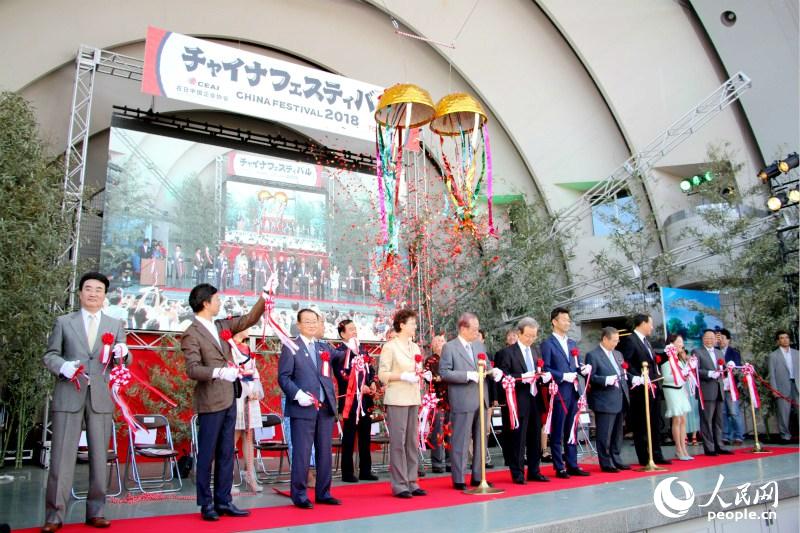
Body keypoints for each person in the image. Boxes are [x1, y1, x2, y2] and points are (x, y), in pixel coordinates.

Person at [41, 272, 130, 533]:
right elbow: (50, 355)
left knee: (99, 457)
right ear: (80, 293)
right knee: (61, 458)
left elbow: (123, 361)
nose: (93, 293)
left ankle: (96, 512)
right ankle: (54, 516)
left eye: (98, 290)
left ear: (105, 296)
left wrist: (123, 355)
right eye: (88, 289)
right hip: (69, 393)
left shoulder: (115, 324)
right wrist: (64, 368)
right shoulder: (64, 322)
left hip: (100, 397)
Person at [182, 283, 265, 521]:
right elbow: (192, 369)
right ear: (205, 302)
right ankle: (206, 503)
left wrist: (265, 295)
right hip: (210, 400)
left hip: (231, 397)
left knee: (227, 451)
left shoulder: (222, 325)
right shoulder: (192, 332)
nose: (220, 302)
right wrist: (218, 372)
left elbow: (249, 319)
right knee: (207, 453)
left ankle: (224, 500)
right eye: (216, 299)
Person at [277, 308, 341, 509]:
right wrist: (298, 395)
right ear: (298, 324)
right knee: (302, 453)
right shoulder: (291, 346)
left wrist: (353, 349)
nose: (312, 324)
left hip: (324, 408)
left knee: (324, 453)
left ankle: (324, 492)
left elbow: (341, 357)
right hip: (303, 407)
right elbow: (283, 377)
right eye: (307, 321)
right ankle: (300, 495)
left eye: (315, 321)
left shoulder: (323, 347)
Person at [440, 312, 503, 489]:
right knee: (461, 440)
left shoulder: (478, 346)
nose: (477, 332)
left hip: (481, 398)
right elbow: (444, 372)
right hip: (462, 399)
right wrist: (467, 375)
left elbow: (487, 366)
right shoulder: (450, 347)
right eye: (474, 329)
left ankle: (478, 475)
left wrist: (494, 371)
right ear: (463, 328)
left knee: (481, 439)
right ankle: (459, 478)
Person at [377, 309, 430, 498]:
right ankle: (399, 484)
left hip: (413, 397)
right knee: (398, 442)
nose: (415, 326)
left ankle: (412, 480)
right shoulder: (390, 347)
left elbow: (418, 370)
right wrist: (402, 376)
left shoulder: (415, 347)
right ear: (401, 325)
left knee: (412, 441)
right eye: (412, 323)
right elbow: (382, 374)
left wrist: (423, 375)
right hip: (397, 398)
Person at [494, 317, 551, 484]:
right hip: (518, 400)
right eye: (528, 336)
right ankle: (517, 472)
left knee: (534, 436)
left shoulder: (536, 351)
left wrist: (544, 376)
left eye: (534, 336)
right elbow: (503, 376)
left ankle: (534, 470)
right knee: (518, 438)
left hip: (534, 397)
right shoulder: (507, 353)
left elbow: (540, 369)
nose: (531, 339)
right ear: (519, 333)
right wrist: (521, 377)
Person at [541, 307, 590, 478]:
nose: (567, 322)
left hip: (574, 390)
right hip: (559, 391)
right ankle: (559, 465)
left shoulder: (572, 343)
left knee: (572, 428)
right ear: (554, 322)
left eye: (568, 320)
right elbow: (545, 368)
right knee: (558, 428)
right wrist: (562, 376)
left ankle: (572, 463)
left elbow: (576, 364)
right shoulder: (547, 344)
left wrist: (583, 368)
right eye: (564, 319)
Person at [619, 313, 671, 466]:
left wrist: (668, 354)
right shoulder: (630, 340)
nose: (652, 327)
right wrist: (637, 377)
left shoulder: (646, 342)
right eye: (650, 323)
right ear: (642, 323)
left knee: (655, 422)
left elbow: (653, 362)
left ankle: (656, 454)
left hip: (653, 387)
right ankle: (644, 457)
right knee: (641, 424)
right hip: (639, 390)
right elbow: (626, 364)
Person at [332, 319, 378, 483]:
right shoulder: (339, 353)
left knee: (366, 436)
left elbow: (370, 370)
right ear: (342, 333)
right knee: (349, 437)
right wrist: (360, 387)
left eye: (355, 328)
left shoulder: (362, 351)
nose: (354, 332)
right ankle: (347, 472)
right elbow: (343, 376)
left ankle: (365, 470)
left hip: (365, 402)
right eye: (350, 329)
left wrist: (372, 382)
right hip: (350, 401)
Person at [584, 326, 630, 472]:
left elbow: (623, 374)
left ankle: (616, 458)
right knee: (605, 433)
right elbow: (590, 377)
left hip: (620, 397)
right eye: (614, 341)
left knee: (618, 432)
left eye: (618, 340)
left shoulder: (618, 354)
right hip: (604, 399)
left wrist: (635, 379)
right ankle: (606, 462)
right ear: (605, 339)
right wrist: (605, 380)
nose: (616, 344)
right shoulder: (593, 355)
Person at [231, 330, 264, 493]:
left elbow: (253, 370)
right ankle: (227, 479)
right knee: (233, 437)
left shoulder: (247, 347)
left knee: (248, 435)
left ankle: (250, 476)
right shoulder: (230, 347)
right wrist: (246, 389)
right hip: (237, 395)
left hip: (250, 396)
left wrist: (255, 389)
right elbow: (236, 371)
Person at [691, 329, 732, 456]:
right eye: (706, 337)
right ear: (703, 339)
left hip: (719, 389)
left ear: (716, 339)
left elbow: (723, 370)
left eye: (712, 338)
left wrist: (728, 368)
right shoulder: (697, 352)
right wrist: (709, 373)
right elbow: (695, 370)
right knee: (707, 420)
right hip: (706, 390)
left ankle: (719, 444)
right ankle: (709, 447)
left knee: (719, 420)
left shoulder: (719, 352)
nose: (709, 340)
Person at [660, 334, 692, 461]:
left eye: (682, 342)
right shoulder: (666, 359)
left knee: (683, 420)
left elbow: (683, 377)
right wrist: (679, 375)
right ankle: (678, 449)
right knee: (676, 420)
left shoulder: (679, 359)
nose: (681, 344)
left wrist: (685, 374)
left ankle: (684, 448)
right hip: (671, 390)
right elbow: (665, 378)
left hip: (680, 390)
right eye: (678, 342)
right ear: (671, 343)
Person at [768, 330, 799, 442]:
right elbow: (772, 374)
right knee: (783, 413)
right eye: (782, 338)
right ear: (778, 341)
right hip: (781, 387)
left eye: (786, 337)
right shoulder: (773, 355)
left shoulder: (797, 353)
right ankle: (785, 436)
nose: (785, 340)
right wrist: (774, 390)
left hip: (797, 386)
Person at [425, 334, 450, 473]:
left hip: (451, 399)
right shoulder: (430, 360)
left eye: (442, 340)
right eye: (438, 341)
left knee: (451, 431)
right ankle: (438, 462)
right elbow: (431, 379)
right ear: (433, 345)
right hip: (437, 401)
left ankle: (450, 461)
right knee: (438, 432)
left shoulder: (449, 358)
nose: (441, 343)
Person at [719, 329, 745, 445]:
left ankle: (738, 435)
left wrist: (728, 372)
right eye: (718, 338)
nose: (720, 341)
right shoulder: (715, 352)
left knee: (734, 412)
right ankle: (725, 436)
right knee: (723, 412)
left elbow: (737, 368)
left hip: (731, 386)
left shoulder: (734, 352)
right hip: (720, 386)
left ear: (728, 339)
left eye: (723, 338)